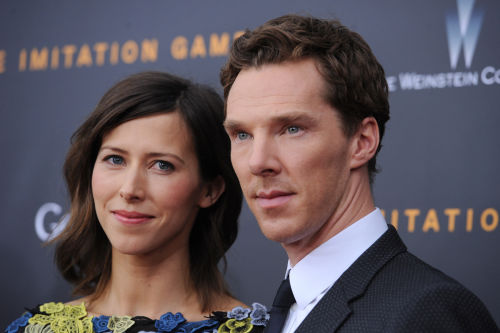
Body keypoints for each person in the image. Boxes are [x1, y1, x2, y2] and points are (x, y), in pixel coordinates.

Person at [220, 14, 499, 332]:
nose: (257, 162)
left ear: (362, 142)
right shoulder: (284, 307)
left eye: (292, 129)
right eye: (242, 135)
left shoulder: (427, 314)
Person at [5, 71, 268, 333]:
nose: (130, 189)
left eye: (162, 165)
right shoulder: (37, 329)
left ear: (209, 190)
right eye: (115, 159)